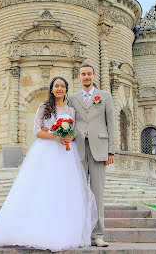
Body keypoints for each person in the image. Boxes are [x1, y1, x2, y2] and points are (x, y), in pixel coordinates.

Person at [0, 77, 97, 251]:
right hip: (46, 152)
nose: (59, 88)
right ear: (52, 89)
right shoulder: (43, 108)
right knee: (43, 189)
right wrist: (56, 135)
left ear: (66, 90)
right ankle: (37, 230)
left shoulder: (71, 110)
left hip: (66, 155)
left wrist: (70, 136)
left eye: (62, 86)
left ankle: (64, 232)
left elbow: (75, 131)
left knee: (65, 192)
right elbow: (37, 131)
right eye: (56, 86)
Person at [67, 64, 115, 247]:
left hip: (99, 149)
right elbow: (69, 121)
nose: (86, 77)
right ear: (79, 77)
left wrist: (111, 150)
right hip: (78, 149)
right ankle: (80, 234)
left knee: (97, 194)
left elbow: (110, 124)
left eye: (89, 74)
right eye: (83, 74)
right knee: (79, 194)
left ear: (93, 76)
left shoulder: (105, 96)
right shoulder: (72, 98)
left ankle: (98, 235)